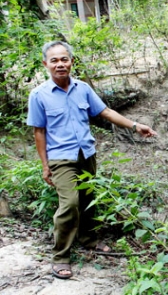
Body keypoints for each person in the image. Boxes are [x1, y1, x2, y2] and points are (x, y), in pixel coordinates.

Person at [26, 41, 157, 279]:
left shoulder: (83, 88)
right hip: (60, 157)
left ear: (71, 62)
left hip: (86, 153)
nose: (60, 64)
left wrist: (136, 126)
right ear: (45, 64)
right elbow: (39, 132)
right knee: (70, 204)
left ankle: (89, 239)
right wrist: (45, 166)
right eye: (54, 60)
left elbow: (105, 112)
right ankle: (60, 256)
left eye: (64, 59)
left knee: (88, 199)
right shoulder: (39, 95)